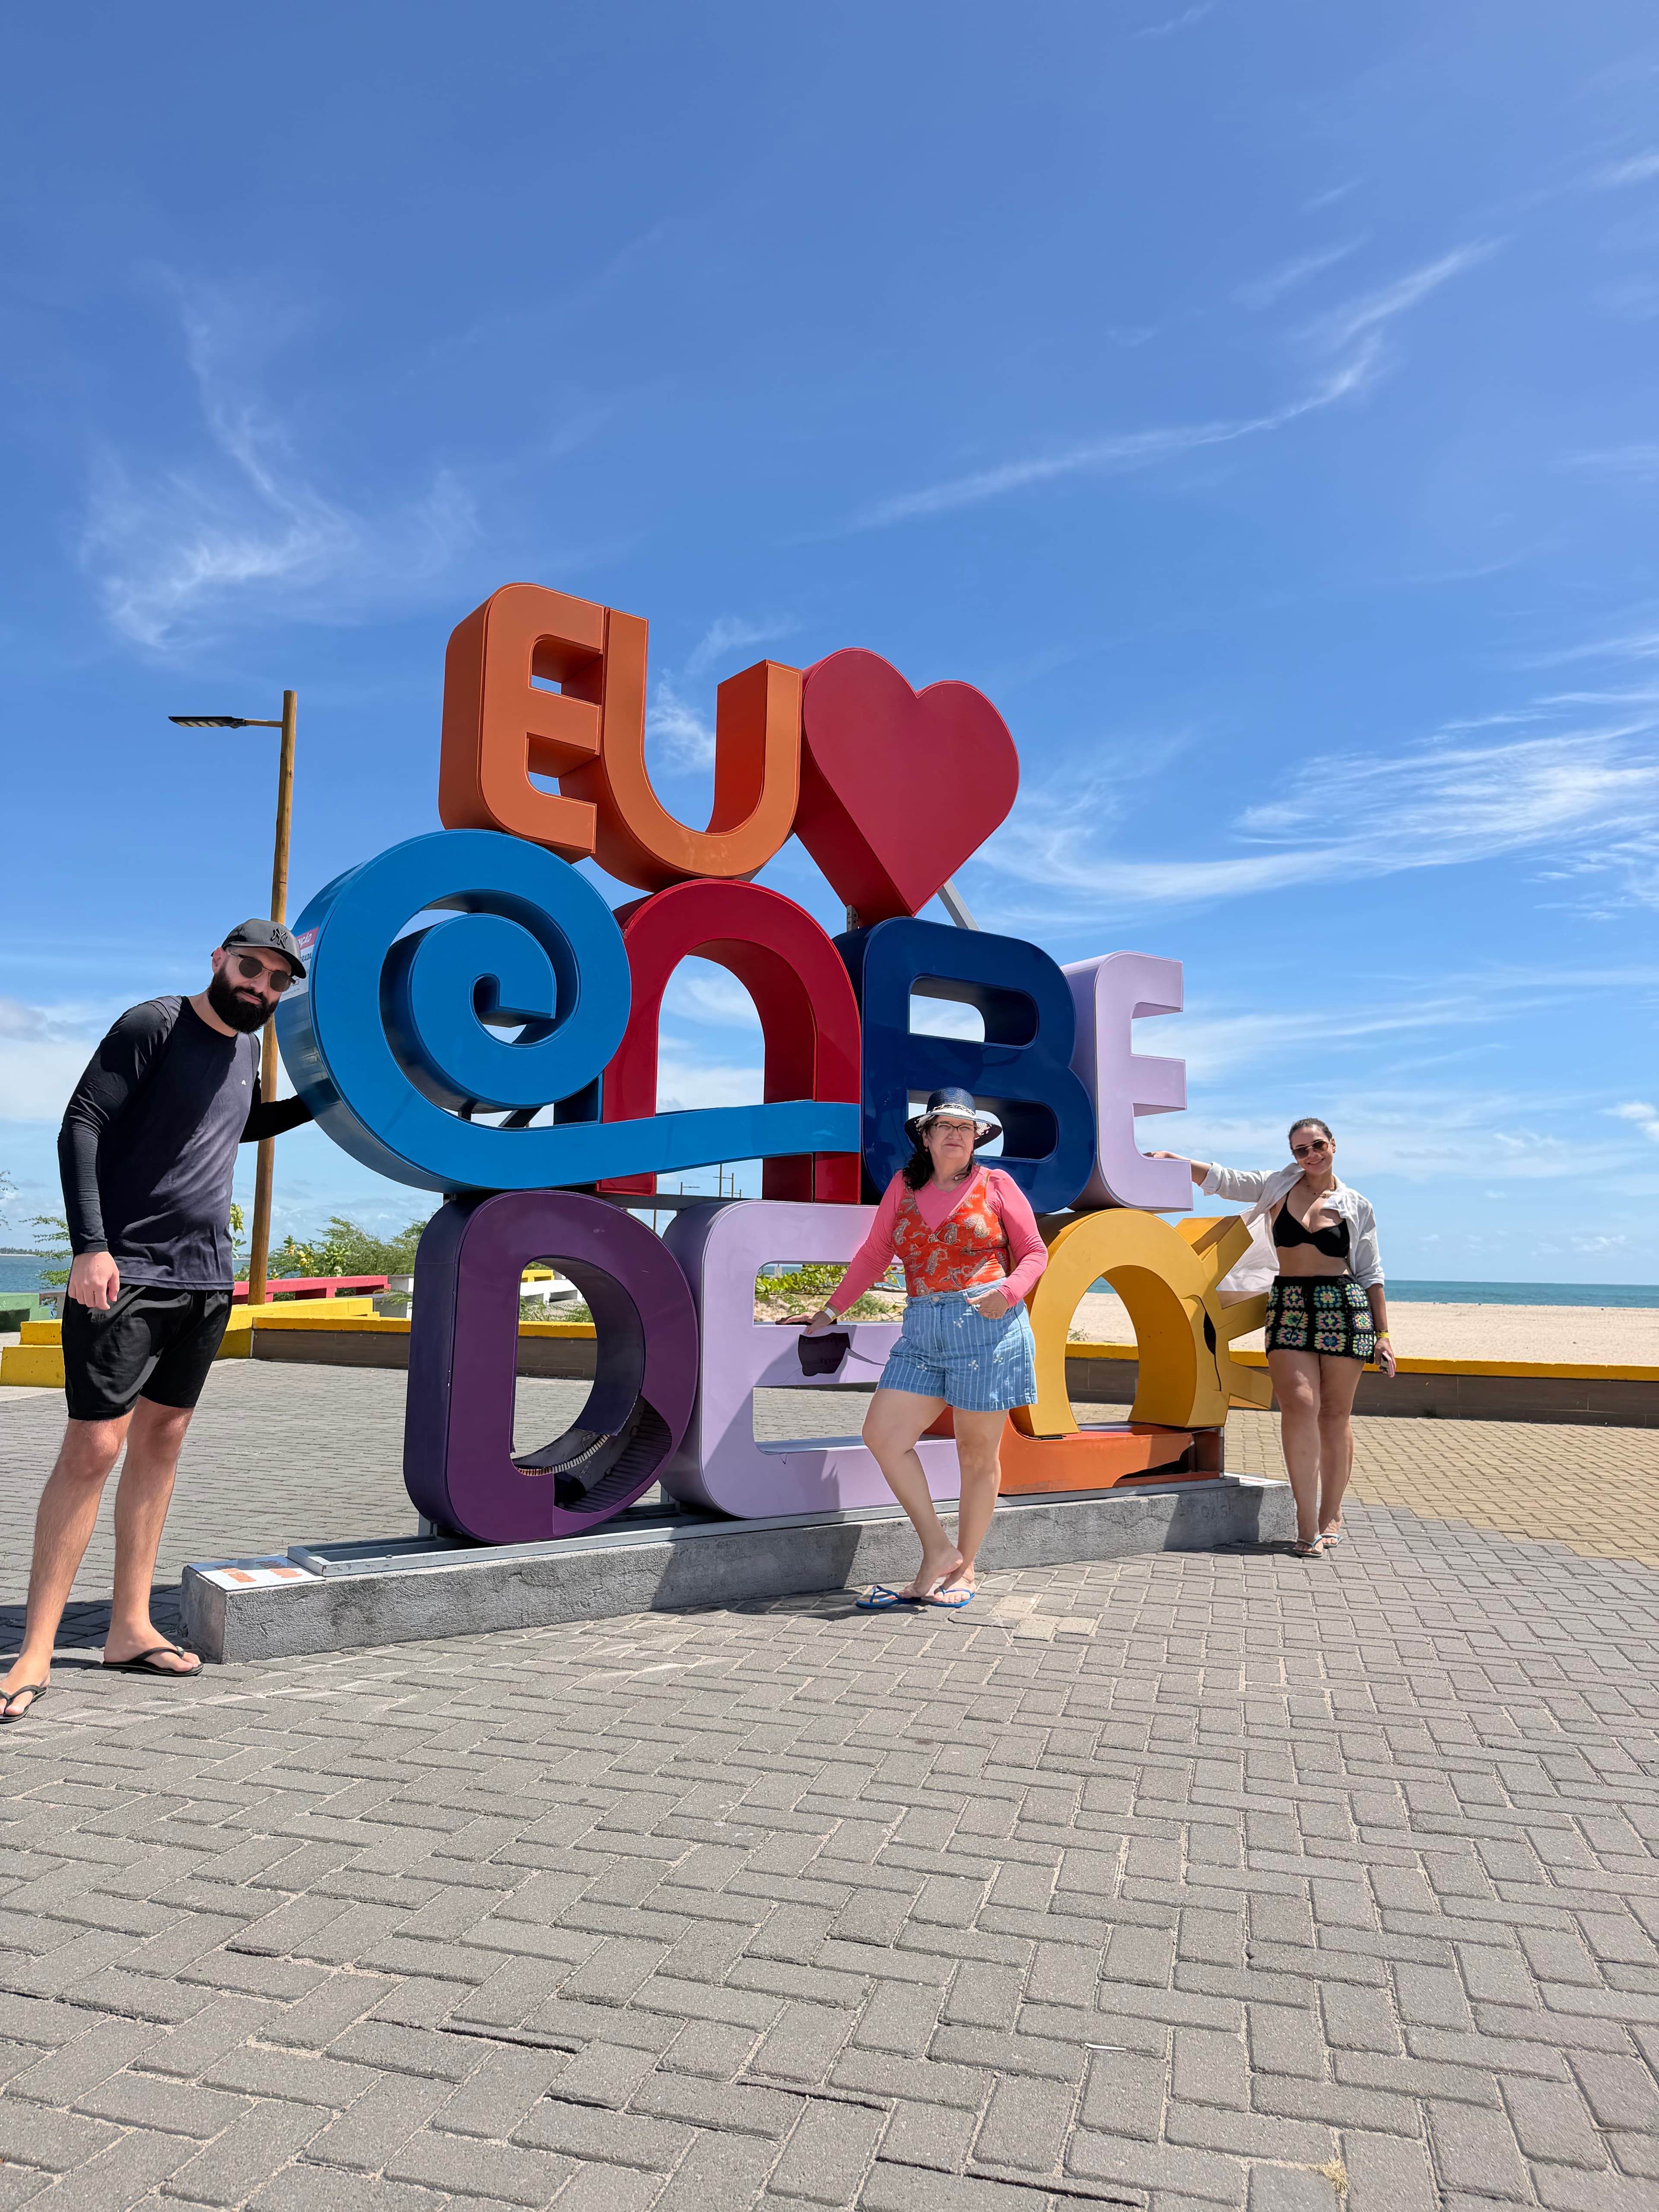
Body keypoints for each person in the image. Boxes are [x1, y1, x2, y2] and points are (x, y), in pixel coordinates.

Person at [0, 924, 315, 1722]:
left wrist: (321, 1104)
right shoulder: (153, 1024)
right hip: (126, 1273)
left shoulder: (247, 1051)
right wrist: (90, 1248)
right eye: (250, 969)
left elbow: (231, 1124)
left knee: (164, 1439)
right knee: (94, 1445)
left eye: (277, 981)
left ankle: (129, 1627)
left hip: (207, 1279)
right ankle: (34, 1650)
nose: (260, 987)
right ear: (219, 961)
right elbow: (82, 1123)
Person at [794, 1087, 1047, 1609]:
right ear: (927, 1137)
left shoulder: (996, 1184)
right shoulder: (902, 1187)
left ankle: (967, 1568)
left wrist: (1007, 1294)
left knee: (976, 1454)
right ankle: (938, 1549)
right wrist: (828, 1312)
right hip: (923, 1330)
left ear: (976, 1138)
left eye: (966, 1127)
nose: (956, 1134)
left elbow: (1033, 1253)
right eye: (945, 1125)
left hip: (987, 1326)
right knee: (883, 1435)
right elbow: (872, 1255)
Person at [1153, 1118, 1393, 1557]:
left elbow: (1371, 1273)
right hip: (1289, 1305)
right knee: (1300, 1402)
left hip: (1344, 1305)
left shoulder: (1356, 1204)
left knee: (1335, 1414)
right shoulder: (1278, 1185)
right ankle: (1306, 1520)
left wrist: (1384, 1333)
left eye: (1317, 1145)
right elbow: (1227, 1180)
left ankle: (1332, 1512)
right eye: (1301, 1150)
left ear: (1333, 1145)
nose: (1310, 1155)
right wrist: (1177, 1162)